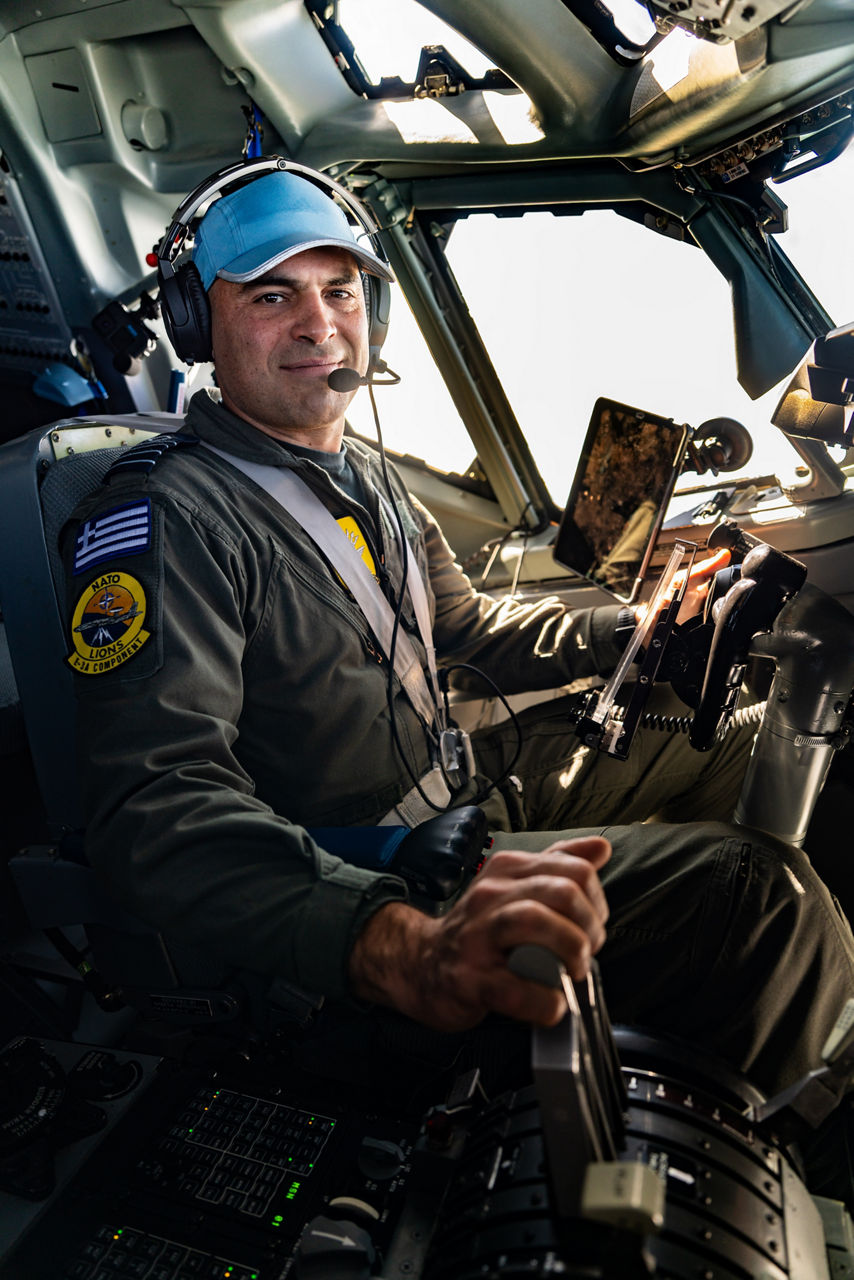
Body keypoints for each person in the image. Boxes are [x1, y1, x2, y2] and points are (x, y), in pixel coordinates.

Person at [61, 163, 854, 1100]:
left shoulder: (368, 475)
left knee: (746, 733)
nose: (320, 324)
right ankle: (807, 1155)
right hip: (375, 881)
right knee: (760, 892)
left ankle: (723, 1020)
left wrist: (631, 631)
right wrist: (397, 942)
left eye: (341, 291)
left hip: (468, 795)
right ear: (198, 319)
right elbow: (155, 811)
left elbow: (468, 627)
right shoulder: (169, 519)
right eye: (274, 294)